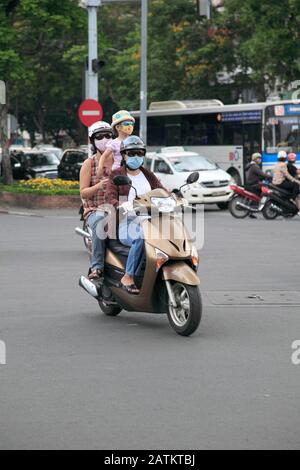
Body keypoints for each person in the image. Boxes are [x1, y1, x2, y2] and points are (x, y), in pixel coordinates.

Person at [107, 136, 165, 295]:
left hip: (151, 220)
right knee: (141, 237)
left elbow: (162, 190)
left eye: (139, 153)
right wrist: (121, 205)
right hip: (127, 222)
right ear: (124, 155)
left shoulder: (147, 174)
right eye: (132, 153)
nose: (136, 157)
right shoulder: (116, 174)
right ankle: (128, 276)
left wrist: (175, 197)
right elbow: (110, 197)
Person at [80, 121, 114, 280]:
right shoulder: (89, 163)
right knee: (101, 223)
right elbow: (83, 193)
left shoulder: (120, 161)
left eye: (108, 135)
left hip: (120, 208)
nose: (105, 139)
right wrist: (98, 186)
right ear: (92, 140)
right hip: (96, 209)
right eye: (100, 136)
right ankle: (97, 267)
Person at [97, 110, 136, 177]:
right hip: (118, 173)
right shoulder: (114, 143)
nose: (130, 126)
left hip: (131, 171)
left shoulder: (134, 141)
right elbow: (104, 156)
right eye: (126, 124)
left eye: (131, 124)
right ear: (117, 127)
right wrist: (100, 168)